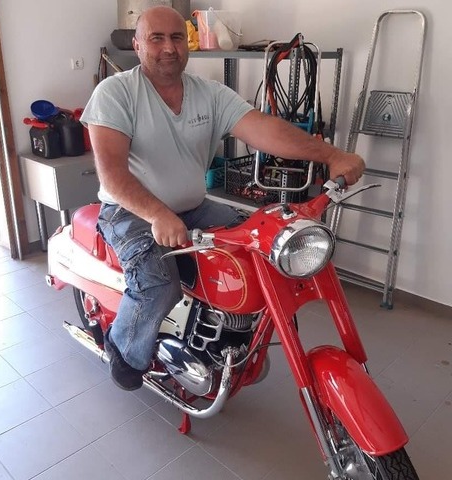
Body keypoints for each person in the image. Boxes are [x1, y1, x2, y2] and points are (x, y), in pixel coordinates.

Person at [80, 5, 365, 391]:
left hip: (192, 208)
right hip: (131, 212)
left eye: (177, 37)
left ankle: (229, 337)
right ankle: (125, 350)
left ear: (187, 44)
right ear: (137, 44)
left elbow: (265, 130)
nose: (169, 47)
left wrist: (332, 155)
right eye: (156, 38)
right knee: (158, 286)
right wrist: (158, 214)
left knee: (261, 252)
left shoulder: (209, 94)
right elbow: (112, 176)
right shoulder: (115, 93)